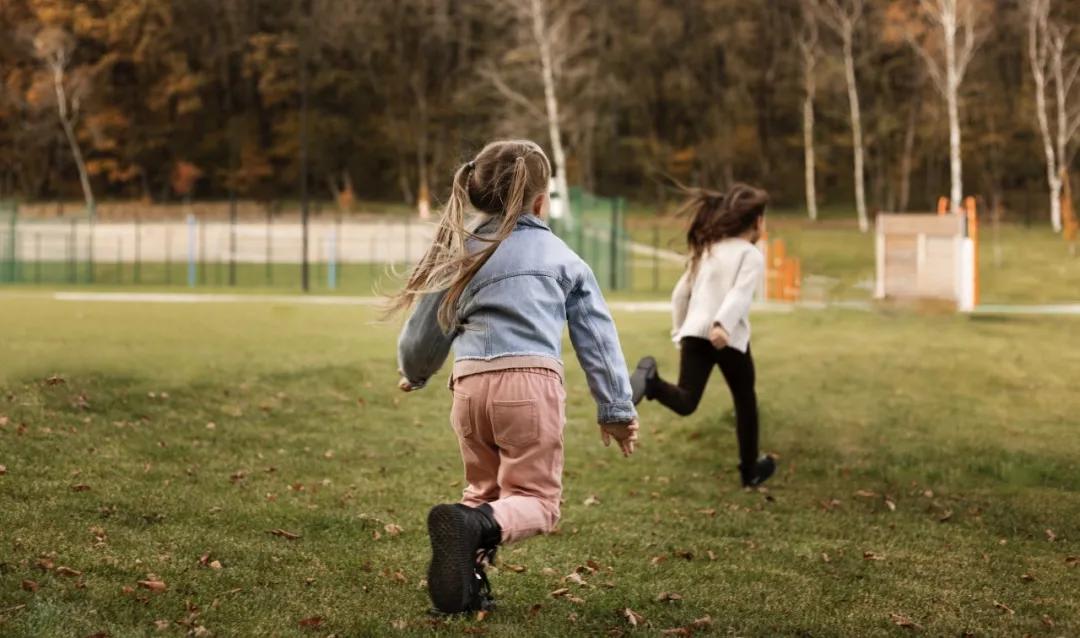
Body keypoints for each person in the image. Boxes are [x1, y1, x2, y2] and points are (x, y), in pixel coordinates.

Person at [390, 139, 639, 615]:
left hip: (468, 390)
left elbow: (424, 330)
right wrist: (616, 410)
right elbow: (598, 339)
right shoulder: (561, 256)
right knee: (537, 502)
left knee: (482, 499)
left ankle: (465, 589)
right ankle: (468, 537)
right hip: (529, 386)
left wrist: (415, 373)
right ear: (541, 203)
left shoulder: (461, 252)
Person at [630, 183, 775, 488]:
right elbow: (740, 294)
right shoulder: (750, 254)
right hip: (726, 338)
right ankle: (750, 471)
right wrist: (722, 324)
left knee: (686, 401)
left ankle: (652, 381)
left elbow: (679, 295)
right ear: (757, 222)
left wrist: (679, 331)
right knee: (746, 400)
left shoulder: (708, 250)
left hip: (694, 334)